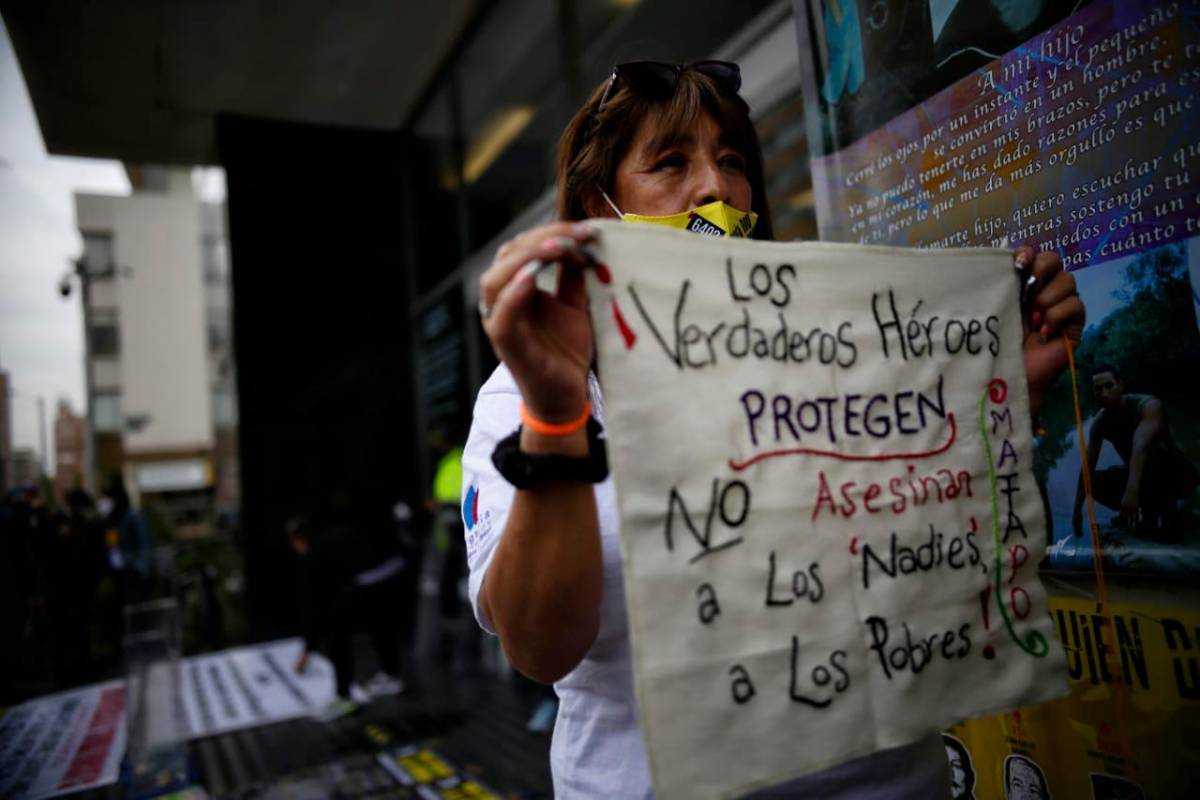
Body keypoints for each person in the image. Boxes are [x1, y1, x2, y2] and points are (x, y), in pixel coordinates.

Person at [464, 61, 1084, 797]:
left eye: (733, 164)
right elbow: (539, 648)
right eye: (670, 162)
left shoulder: (846, 347)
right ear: (595, 210)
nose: (715, 190)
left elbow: (939, 558)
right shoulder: (529, 392)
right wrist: (557, 415)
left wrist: (1009, 397)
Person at [1073, 364, 1198, 539]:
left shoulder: (1149, 405)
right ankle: (1146, 513)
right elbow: (1088, 466)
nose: (1104, 393)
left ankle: (1165, 515)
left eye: (1109, 386)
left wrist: (1131, 491)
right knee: (1093, 482)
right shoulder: (1100, 422)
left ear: (1121, 385)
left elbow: (1141, 444)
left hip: (1177, 475)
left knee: (1155, 458)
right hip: (1142, 476)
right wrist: (1077, 510)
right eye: (1098, 389)